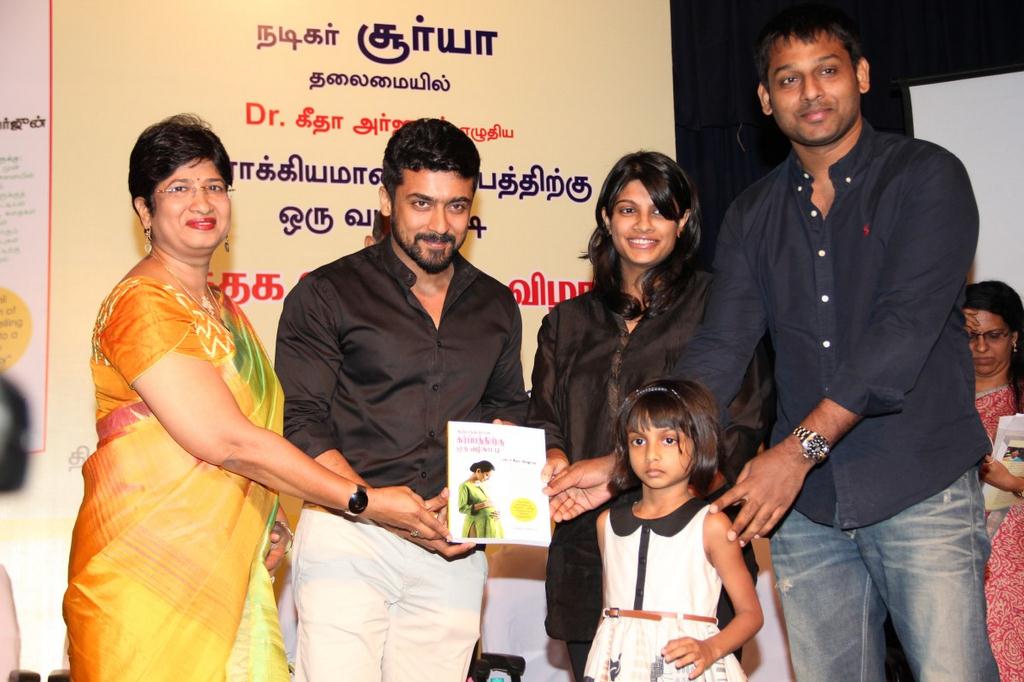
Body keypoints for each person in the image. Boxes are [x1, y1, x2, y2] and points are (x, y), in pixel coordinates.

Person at [665, 5, 998, 679]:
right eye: (788, 79)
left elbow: (902, 332)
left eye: (827, 71)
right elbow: (723, 345)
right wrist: (634, 447)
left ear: (862, 75)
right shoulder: (753, 214)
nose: (810, 92)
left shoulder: (927, 176)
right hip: (809, 513)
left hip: (920, 485)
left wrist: (797, 451)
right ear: (766, 100)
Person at [63, 114, 448, 682]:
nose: (202, 202)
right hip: (146, 582)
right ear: (144, 210)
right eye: (179, 187)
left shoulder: (225, 312)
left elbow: (259, 437)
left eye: (214, 185)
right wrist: (363, 500)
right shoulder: (142, 304)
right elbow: (229, 442)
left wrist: (271, 519)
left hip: (228, 577)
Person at [275, 117, 529, 682]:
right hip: (348, 533)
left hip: (452, 546)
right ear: (387, 199)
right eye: (421, 204)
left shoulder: (496, 305)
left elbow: (507, 410)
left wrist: (476, 513)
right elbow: (302, 421)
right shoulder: (327, 293)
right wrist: (374, 504)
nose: (440, 225)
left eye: (457, 207)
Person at [531, 151, 772, 680]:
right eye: (627, 210)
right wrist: (554, 457)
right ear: (606, 218)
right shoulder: (566, 322)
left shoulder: (719, 306)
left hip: (693, 553)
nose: (643, 225)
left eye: (660, 211)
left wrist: (619, 471)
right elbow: (545, 416)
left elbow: (743, 421)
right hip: (590, 550)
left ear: (682, 222)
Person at [583, 379, 761, 682]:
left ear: (699, 443)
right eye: (638, 441)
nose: (651, 454)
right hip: (617, 666)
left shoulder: (711, 525)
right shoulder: (606, 524)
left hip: (686, 667)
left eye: (668, 440)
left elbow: (751, 614)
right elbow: (608, 613)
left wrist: (710, 648)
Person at [965, 280, 1024, 680]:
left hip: (1012, 563)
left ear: (1014, 337)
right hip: (951, 556)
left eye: (994, 335)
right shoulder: (937, 403)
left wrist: (1012, 483)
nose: (982, 347)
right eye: (970, 337)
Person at [459, 460, 503, 539]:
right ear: (478, 471)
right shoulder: (465, 486)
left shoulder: (482, 485)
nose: (488, 478)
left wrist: (497, 512)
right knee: (478, 546)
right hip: (477, 524)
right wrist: (483, 505)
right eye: (487, 475)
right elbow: (462, 508)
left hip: (492, 523)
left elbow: (490, 503)